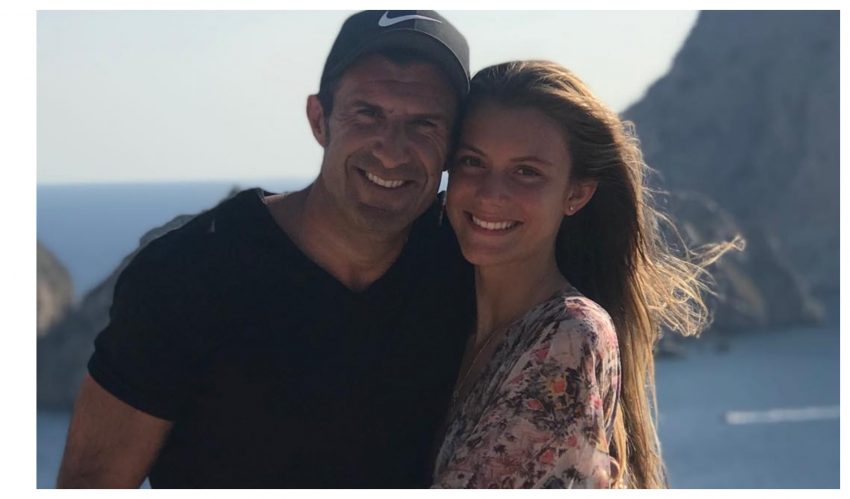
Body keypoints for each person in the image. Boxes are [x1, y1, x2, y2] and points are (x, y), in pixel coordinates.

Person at [57, 10, 477, 488]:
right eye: (368, 113)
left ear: (453, 145)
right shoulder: (186, 277)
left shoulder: (470, 262)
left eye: (424, 124)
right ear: (319, 120)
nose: (392, 149)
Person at [431, 60, 738, 488]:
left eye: (526, 172)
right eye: (472, 161)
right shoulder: (441, 322)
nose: (490, 193)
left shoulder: (569, 337)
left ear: (575, 193)